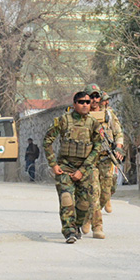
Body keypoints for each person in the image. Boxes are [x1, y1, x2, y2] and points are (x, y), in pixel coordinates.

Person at [43, 91, 102, 244]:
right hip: (65, 167)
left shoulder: (93, 124)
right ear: (75, 104)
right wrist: (53, 164)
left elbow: (97, 148)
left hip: (84, 169)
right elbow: (47, 141)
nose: (85, 105)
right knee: (66, 199)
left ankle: (77, 226)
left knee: (84, 204)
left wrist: (82, 171)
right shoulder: (63, 121)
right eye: (81, 102)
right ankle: (69, 231)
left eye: (88, 102)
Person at [86, 87, 124, 239]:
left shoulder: (108, 114)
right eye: (91, 97)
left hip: (106, 158)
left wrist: (118, 148)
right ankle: (97, 226)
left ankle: (89, 218)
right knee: (94, 192)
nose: (94, 100)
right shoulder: (80, 115)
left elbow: (118, 133)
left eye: (97, 97)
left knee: (106, 192)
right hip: (89, 160)